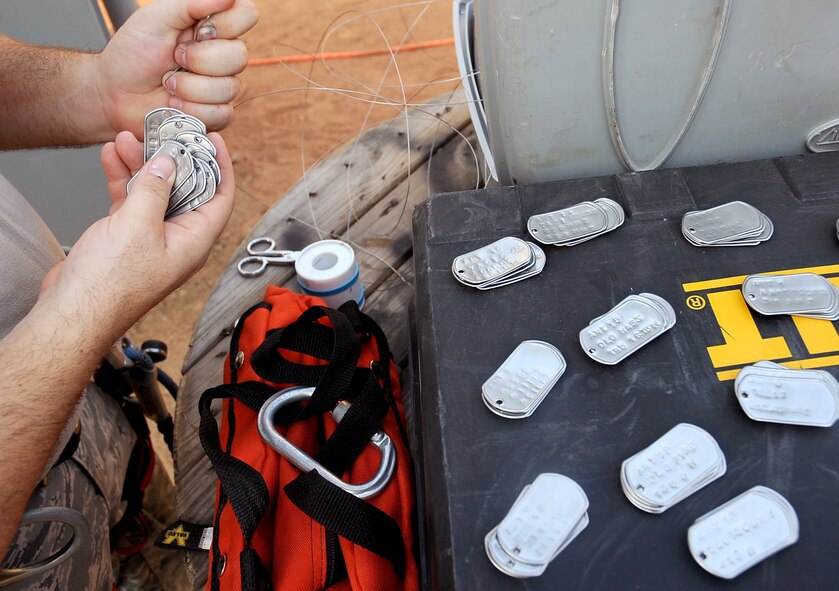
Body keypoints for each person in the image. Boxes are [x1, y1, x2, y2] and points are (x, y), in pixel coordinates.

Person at [0, 0, 258, 587]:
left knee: (172, 551)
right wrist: (82, 315)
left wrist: (94, 89)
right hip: (29, 551)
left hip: (95, 396)